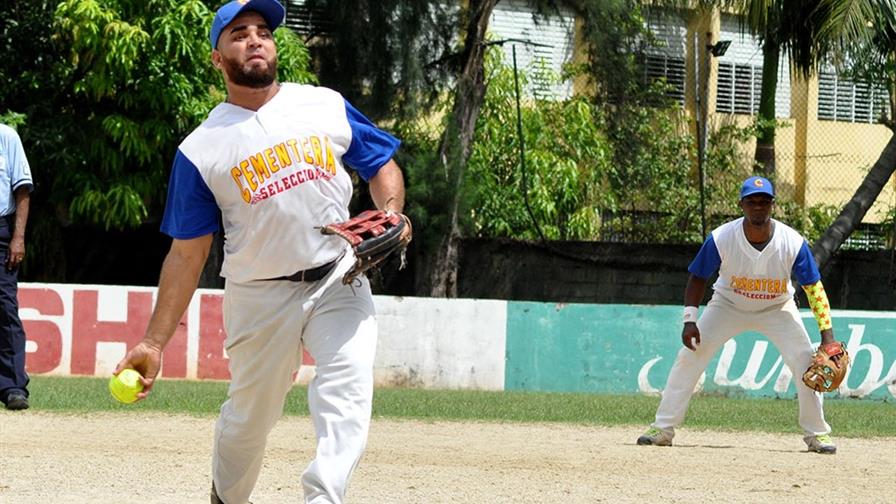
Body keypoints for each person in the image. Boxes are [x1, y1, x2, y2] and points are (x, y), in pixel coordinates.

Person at [113, 1, 411, 502]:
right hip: (259, 295)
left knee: (348, 387)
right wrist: (154, 344)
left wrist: (392, 211)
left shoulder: (323, 104)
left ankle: (324, 496)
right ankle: (228, 497)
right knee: (251, 416)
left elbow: (381, 164)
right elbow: (187, 254)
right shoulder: (201, 149)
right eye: (238, 33)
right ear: (217, 58)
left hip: (339, 275)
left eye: (262, 31)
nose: (255, 39)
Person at [636, 176, 841, 454]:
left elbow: (813, 288)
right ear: (741, 205)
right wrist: (689, 320)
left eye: (764, 201)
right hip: (727, 305)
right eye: (751, 201)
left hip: (777, 308)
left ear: (772, 205)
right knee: (690, 356)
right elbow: (698, 277)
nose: (758, 206)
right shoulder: (722, 237)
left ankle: (818, 434)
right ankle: (662, 428)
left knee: (806, 362)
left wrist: (828, 337)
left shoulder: (791, 241)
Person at [0, 123, 32, 412]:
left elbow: (22, 190)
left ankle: (13, 387)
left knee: (6, 308)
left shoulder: (7, 136)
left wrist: (18, 237)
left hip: (1, 232)